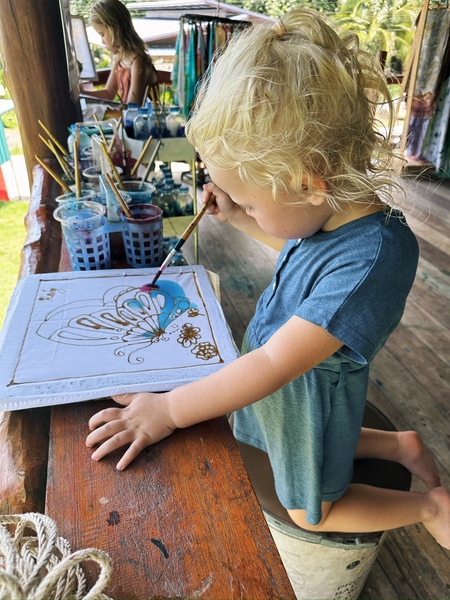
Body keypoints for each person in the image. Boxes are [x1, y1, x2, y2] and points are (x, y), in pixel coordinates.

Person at [85, 7, 450, 550]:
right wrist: (240, 215)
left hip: (306, 391)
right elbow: (299, 250)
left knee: (312, 512)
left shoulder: (376, 255)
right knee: (292, 438)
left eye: (251, 202)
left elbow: (276, 363)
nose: (243, 210)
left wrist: (167, 409)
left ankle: (429, 506)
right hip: (287, 387)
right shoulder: (329, 213)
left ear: (307, 184)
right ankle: (398, 445)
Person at [80, 0, 158, 105]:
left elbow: (133, 106)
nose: (102, 41)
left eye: (102, 34)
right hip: (127, 117)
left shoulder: (138, 61)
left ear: (113, 29)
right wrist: (82, 93)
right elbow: (108, 93)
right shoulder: (119, 58)